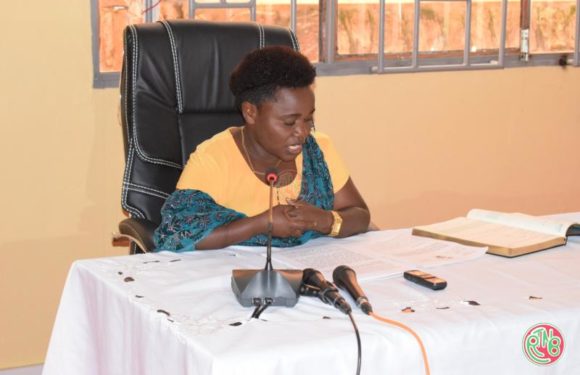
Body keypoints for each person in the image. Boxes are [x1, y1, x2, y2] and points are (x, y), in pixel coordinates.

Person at [154, 46, 370, 251]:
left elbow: (360, 215)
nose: (302, 132)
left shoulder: (318, 148)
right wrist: (261, 223)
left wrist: (324, 220)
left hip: (310, 272)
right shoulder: (213, 158)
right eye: (289, 122)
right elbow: (176, 234)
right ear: (250, 113)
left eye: (308, 119)